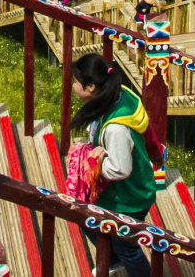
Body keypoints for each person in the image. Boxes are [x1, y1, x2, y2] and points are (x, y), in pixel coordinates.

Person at [68, 53, 158, 277]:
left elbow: (120, 168)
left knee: (127, 248)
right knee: (87, 219)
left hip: (128, 197)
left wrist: (94, 163)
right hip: (124, 190)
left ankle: (126, 264)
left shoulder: (116, 129)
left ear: (91, 87)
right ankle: (113, 259)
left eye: (76, 81)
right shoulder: (116, 96)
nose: (73, 85)